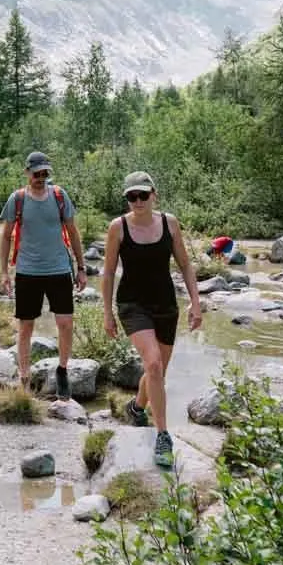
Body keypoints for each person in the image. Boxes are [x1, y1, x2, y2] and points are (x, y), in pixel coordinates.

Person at [100, 170, 203, 470]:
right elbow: (107, 273)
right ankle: (163, 436)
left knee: (157, 371)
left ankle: (136, 407)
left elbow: (185, 264)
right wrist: (107, 312)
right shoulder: (117, 228)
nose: (138, 201)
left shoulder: (170, 223)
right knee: (154, 364)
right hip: (133, 304)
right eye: (132, 196)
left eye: (143, 195)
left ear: (154, 194)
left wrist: (196, 303)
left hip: (165, 305)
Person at [0, 151, 86, 398]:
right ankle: (24, 377)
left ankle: (62, 370)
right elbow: (6, 236)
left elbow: (73, 231)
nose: (41, 177)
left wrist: (81, 268)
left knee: (65, 323)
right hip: (27, 271)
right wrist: (4, 272)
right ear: (27, 173)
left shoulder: (59, 196)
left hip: (59, 268)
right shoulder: (17, 199)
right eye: (37, 173)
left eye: (45, 173)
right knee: (26, 326)